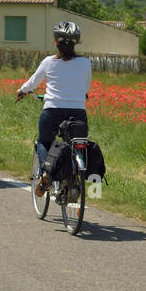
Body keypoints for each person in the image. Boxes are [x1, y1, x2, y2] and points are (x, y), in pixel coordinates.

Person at [17, 22, 91, 197]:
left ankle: (46, 173)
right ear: (75, 43)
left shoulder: (48, 62)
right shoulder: (86, 62)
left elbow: (32, 83)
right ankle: (73, 174)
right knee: (76, 143)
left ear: (55, 42)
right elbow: (87, 88)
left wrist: (22, 91)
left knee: (44, 141)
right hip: (78, 113)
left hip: (52, 112)